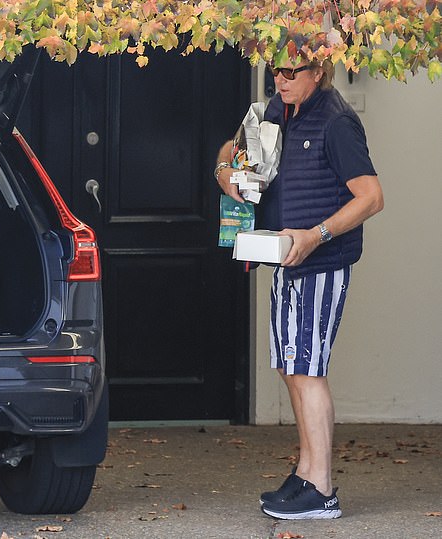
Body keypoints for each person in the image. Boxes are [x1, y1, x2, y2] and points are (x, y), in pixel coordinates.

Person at [216, 58, 383, 520]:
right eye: (276, 70)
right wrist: (224, 171)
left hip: (320, 263)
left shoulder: (335, 121)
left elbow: (371, 196)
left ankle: (322, 490)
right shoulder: (279, 110)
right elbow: (232, 146)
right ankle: (307, 472)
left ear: (319, 72)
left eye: (293, 72)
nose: (281, 79)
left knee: (307, 368)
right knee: (292, 367)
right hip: (283, 258)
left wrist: (315, 236)